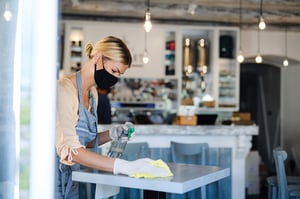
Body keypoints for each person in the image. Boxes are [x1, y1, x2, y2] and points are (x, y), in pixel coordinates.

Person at [55, 36, 169, 199]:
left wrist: (112, 134)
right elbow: (71, 151)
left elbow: (84, 143)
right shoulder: (64, 90)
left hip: (78, 180)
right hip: (57, 182)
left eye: (119, 74)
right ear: (98, 57)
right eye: (114, 71)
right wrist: (126, 167)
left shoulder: (93, 94)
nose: (114, 78)